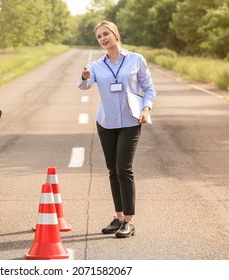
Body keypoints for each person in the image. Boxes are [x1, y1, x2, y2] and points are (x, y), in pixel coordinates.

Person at [77, 20, 156, 238]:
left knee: (124, 169)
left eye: (105, 34)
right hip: (106, 122)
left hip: (131, 121)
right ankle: (119, 217)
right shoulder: (95, 66)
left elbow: (149, 88)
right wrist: (84, 77)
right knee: (113, 170)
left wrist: (146, 109)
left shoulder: (136, 60)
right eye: (99, 37)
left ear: (116, 35)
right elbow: (84, 85)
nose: (102, 39)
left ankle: (129, 221)